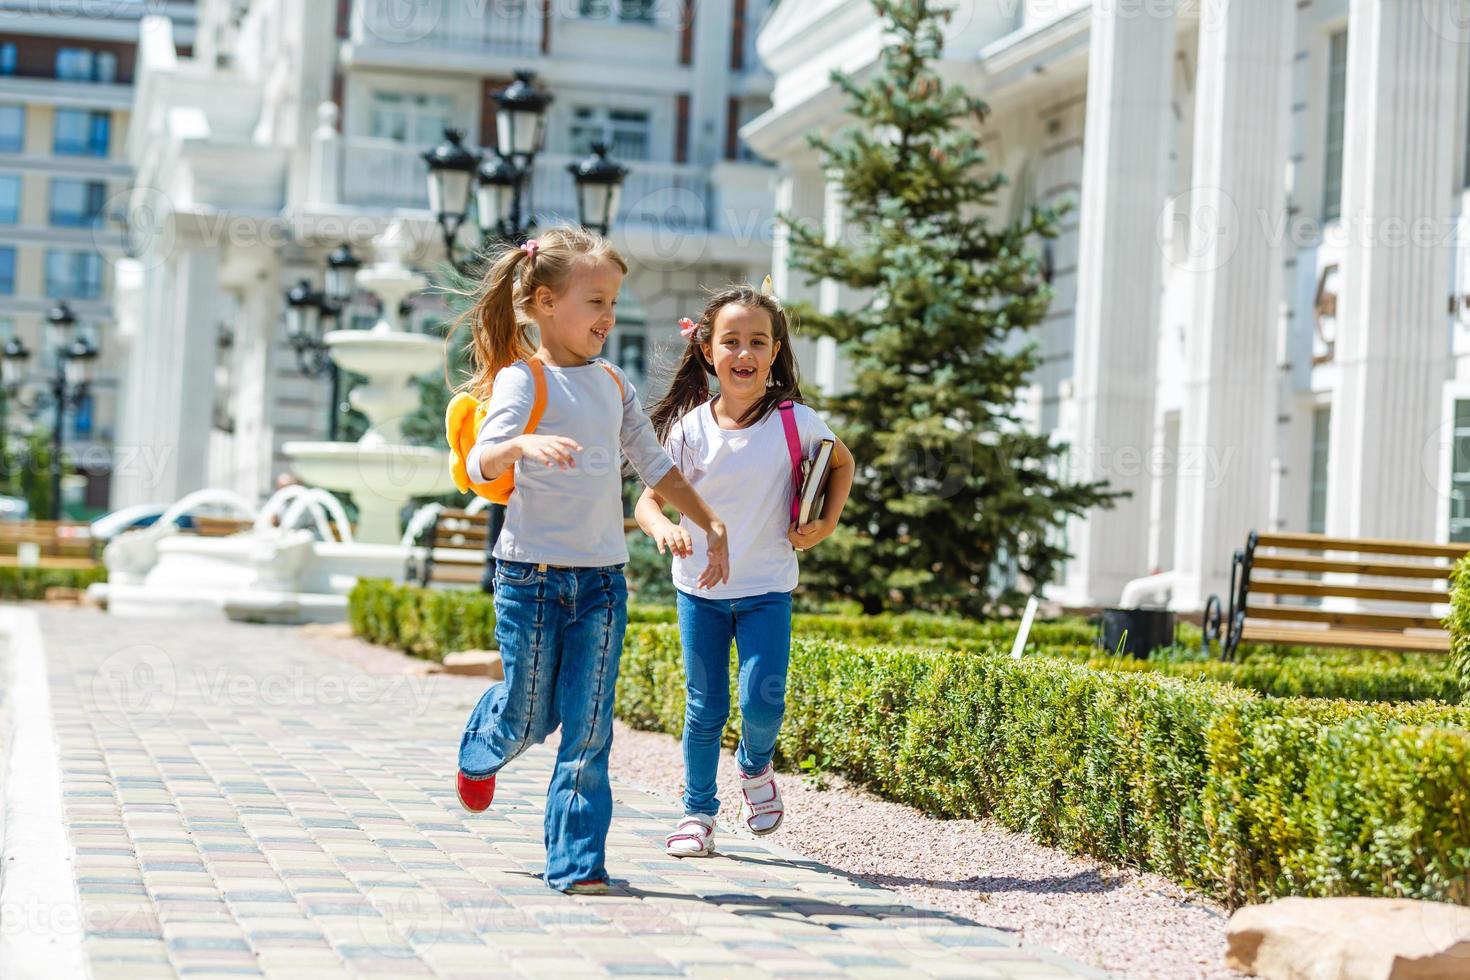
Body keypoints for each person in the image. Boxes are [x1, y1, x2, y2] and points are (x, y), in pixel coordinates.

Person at [448, 226, 730, 894]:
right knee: (528, 718)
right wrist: (520, 446)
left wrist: (706, 516)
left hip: (602, 583)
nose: (609, 316)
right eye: (596, 301)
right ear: (545, 303)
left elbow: (653, 463)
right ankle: (484, 741)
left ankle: (577, 864)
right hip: (532, 580)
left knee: (588, 731)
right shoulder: (525, 380)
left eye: (613, 301)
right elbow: (480, 459)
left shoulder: (611, 382)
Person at [636, 284, 853, 858]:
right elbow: (648, 501)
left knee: (764, 701)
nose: (744, 353)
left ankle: (756, 767)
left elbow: (842, 463)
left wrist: (825, 523)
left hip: (766, 590)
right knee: (704, 706)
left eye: (758, 341)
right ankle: (698, 813)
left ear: (776, 351)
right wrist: (664, 527)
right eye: (731, 341)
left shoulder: (796, 422)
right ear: (707, 350)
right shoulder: (686, 429)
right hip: (699, 592)